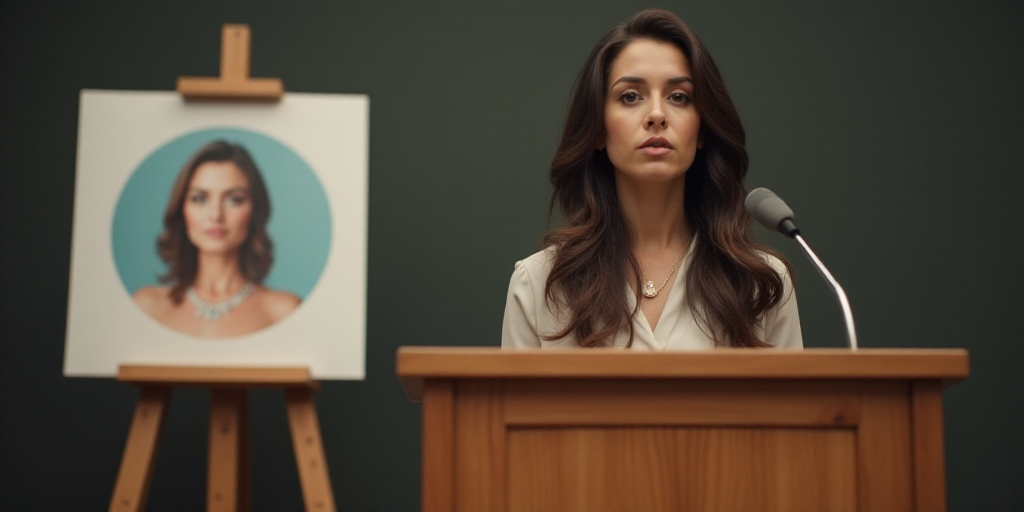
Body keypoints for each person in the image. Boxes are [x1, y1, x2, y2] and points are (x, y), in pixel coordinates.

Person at [501, 9, 802, 349]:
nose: (657, 114)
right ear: (598, 129)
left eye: (679, 97)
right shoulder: (539, 284)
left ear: (702, 129)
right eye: (630, 96)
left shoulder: (762, 284)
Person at [134, 140, 300, 338]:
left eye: (234, 199)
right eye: (200, 198)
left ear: (254, 211)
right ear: (181, 209)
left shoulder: (283, 312)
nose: (215, 215)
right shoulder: (147, 307)